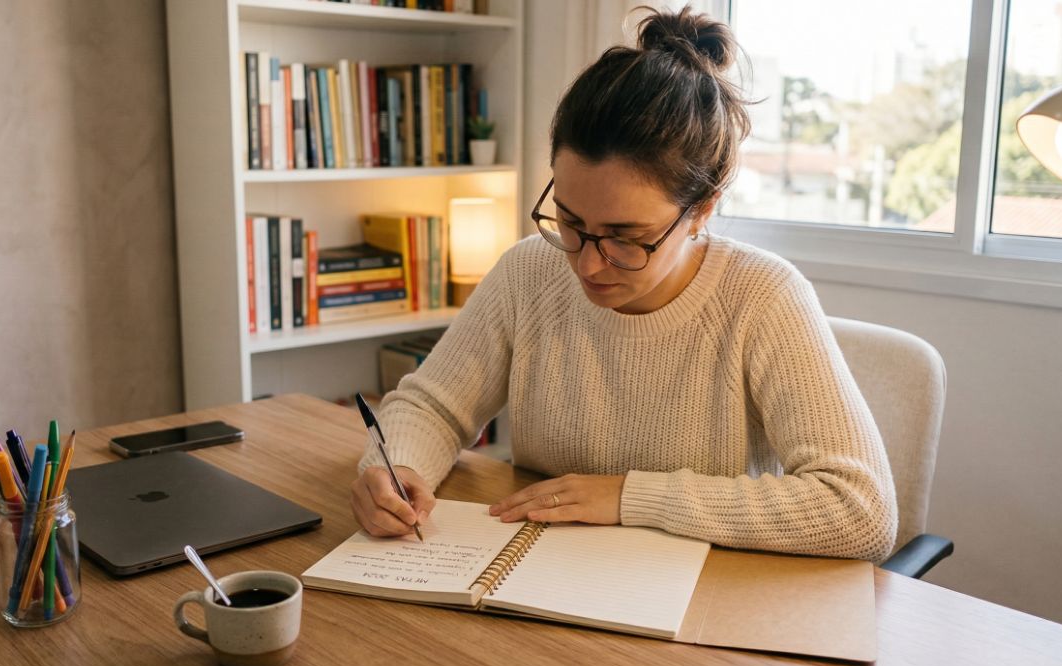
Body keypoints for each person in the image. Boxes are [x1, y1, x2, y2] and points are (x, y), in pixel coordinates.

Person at [350, 6, 898, 562]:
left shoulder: (763, 298)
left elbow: (859, 511)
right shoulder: (528, 273)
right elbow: (431, 407)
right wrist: (398, 469)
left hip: (709, 603)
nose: (587, 265)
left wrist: (630, 497)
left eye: (625, 237)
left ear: (702, 209)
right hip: (546, 576)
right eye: (570, 222)